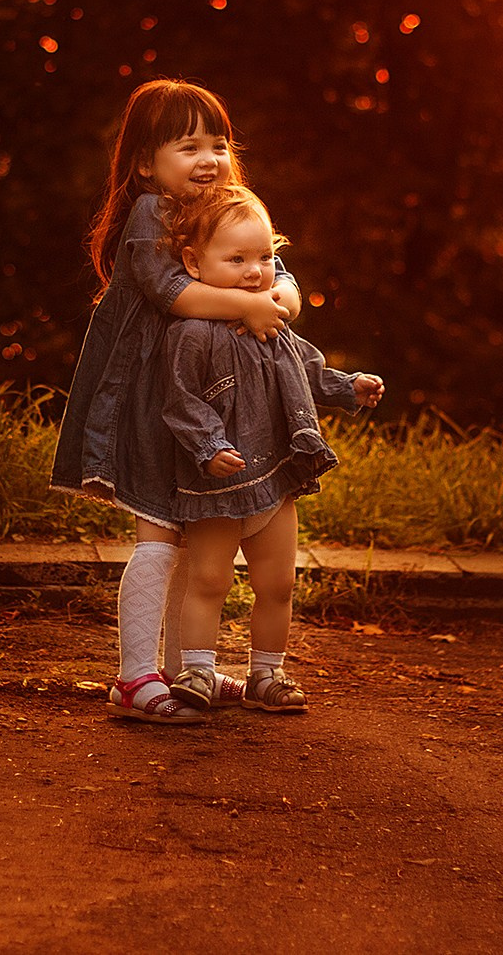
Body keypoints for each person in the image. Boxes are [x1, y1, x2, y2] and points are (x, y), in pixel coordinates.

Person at [51, 80, 300, 724]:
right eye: (188, 147)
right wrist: (248, 304)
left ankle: (187, 669)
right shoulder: (150, 214)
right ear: (144, 163)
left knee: (194, 536)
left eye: (218, 144)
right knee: (158, 533)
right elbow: (174, 293)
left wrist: (278, 296)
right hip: (146, 397)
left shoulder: (225, 210)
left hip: (205, 404)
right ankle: (134, 676)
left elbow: (275, 271)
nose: (208, 159)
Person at [158, 185, 383, 713]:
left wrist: (347, 388)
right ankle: (197, 669)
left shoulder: (271, 321)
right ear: (194, 262)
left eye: (263, 258)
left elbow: (305, 369)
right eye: (236, 259)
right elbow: (181, 400)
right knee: (209, 579)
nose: (254, 272)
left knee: (278, 583)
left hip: (277, 475)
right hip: (218, 481)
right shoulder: (192, 333)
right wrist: (209, 446)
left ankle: (267, 673)